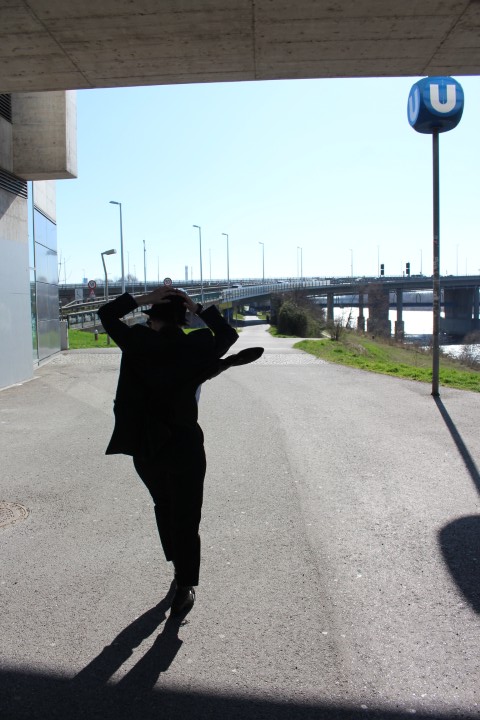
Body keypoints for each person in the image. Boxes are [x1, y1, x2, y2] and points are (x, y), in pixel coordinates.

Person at [98, 287, 263, 615]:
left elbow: (106, 314)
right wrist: (198, 307)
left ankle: (177, 562)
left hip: (147, 446)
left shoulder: (138, 342)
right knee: (186, 516)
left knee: (164, 505)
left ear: (152, 317)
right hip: (185, 445)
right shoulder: (197, 345)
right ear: (183, 318)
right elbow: (228, 334)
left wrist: (144, 298)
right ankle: (184, 586)